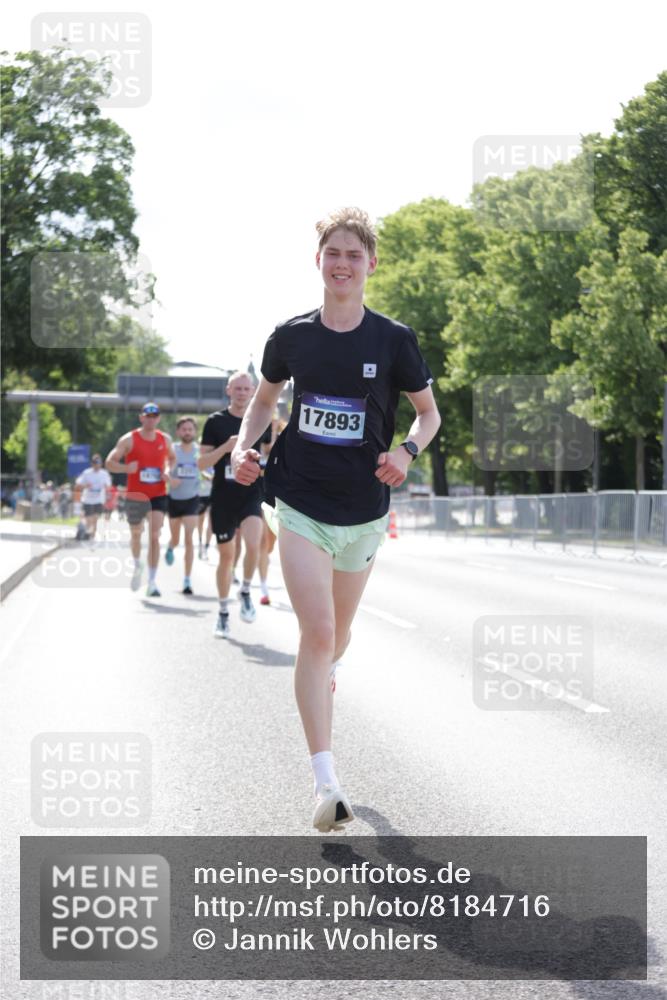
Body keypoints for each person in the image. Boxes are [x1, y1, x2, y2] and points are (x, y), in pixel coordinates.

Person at [231, 207, 441, 832]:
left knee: (337, 639)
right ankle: (326, 783)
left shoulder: (393, 340)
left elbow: (428, 415)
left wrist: (406, 452)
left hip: (364, 511)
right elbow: (266, 401)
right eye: (333, 253)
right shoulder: (291, 337)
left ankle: (326, 673)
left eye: (354, 254)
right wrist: (248, 447)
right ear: (317, 261)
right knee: (317, 633)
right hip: (298, 501)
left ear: (370, 263)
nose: (342, 263)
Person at [199, 372, 271, 638]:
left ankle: (246, 589)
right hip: (223, 497)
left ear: (253, 391)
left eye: (246, 388)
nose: (242, 392)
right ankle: (222, 612)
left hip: (251, 493)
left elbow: (268, 457)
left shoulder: (261, 421)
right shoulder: (215, 422)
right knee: (227, 557)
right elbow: (201, 463)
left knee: (255, 543)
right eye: (237, 388)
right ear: (229, 390)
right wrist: (226, 449)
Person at [105, 402, 176, 597]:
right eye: (148, 415)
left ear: (158, 418)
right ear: (141, 417)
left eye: (155, 416)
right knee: (136, 534)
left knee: (154, 535)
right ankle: (137, 565)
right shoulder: (129, 439)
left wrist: (168, 471)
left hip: (158, 494)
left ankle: (152, 582)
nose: (151, 419)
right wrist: (126, 468)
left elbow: (172, 458)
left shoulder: (165, 439)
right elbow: (109, 462)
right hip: (136, 495)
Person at [165, 416, 201, 594]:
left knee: (189, 539)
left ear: (195, 432)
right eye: (184, 429)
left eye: (190, 429)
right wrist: (170, 478)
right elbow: (163, 468)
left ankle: (187, 580)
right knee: (176, 538)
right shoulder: (172, 450)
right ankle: (171, 547)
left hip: (192, 499)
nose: (187, 432)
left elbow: (206, 468)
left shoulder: (199, 450)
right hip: (174, 499)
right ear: (178, 432)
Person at [76, 455, 111, 541]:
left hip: (99, 499)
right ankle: (89, 532)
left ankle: (92, 534)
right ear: (92, 464)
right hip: (87, 499)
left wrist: (106, 488)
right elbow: (78, 484)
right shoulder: (86, 473)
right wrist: (86, 485)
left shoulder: (104, 474)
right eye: (95, 463)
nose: (97, 465)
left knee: (95, 518)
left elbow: (108, 486)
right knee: (89, 518)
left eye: (99, 463)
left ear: (101, 464)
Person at [197, 465, 214, 559]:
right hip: (201, 494)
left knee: (211, 522)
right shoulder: (200, 455)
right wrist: (208, 476)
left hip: (213, 494)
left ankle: (206, 548)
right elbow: (198, 470)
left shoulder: (218, 455)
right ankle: (200, 543)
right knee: (201, 521)